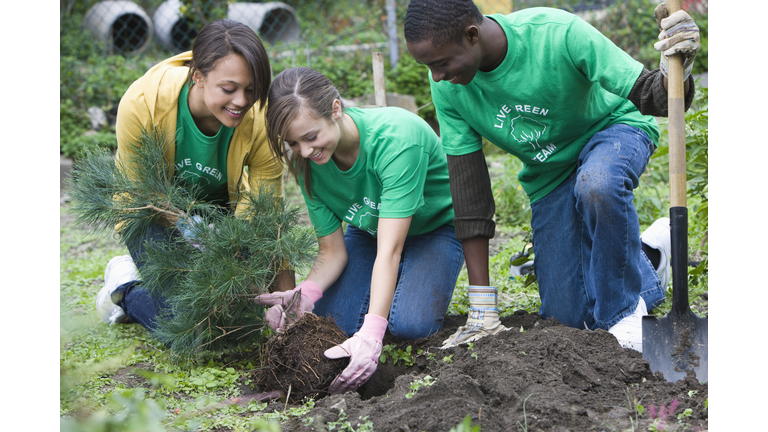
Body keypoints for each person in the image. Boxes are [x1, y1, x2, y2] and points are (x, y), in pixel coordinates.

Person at [403, 0, 701, 352]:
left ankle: (624, 313)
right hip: (550, 171)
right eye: (429, 67)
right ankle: (649, 256)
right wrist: (482, 306)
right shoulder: (448, 87)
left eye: (441, 64)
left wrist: (676, 68)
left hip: (613, 129)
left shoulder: (556, 34)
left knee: (597, 184)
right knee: (567, 318)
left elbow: (654, 97)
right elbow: (470, 193)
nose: (436, 76)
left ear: (471, 35)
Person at [254, 67, 464, 394]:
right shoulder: (305, 163)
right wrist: (306, 293)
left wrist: (372, 332)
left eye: (310, 137)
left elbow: (390, 251)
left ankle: (409, 288)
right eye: (293, 143)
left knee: (410, 325)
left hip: (433, 229)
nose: (305, 151)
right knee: (333, 321)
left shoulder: (396, 139)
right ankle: (388, 295)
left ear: (336, 110)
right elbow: (331, 251)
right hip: (369, 231)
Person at [95, 19, 292, 335]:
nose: (241, 101)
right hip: (148, 216)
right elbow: (138, 193)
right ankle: (125, 288)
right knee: (190, 324)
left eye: (251, 90)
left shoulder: (260, 119)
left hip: (219, 215)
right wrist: (193, 230)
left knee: (244, 319)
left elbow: (268, 211)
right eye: (229, 89)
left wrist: (286, 299)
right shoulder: (144, 103)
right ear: (198, 76)